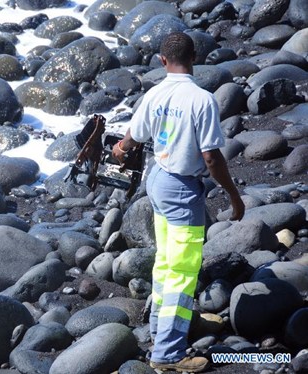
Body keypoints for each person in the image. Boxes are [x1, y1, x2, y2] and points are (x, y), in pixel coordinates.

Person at [112, 32, 245, 373]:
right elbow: (212, 158)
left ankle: (159, 332)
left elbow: (134, 136)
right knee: (183, 272)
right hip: (183, 189)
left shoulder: (155, 93)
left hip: (157, 180)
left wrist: (119, 149)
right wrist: (233, 194)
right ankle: (169, 356)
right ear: (195, 58)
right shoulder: (201, 99)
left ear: (162, 61)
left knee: (166, 262)